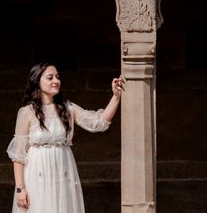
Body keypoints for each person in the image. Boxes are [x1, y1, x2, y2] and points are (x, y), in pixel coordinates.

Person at [8, 63, 125, 212]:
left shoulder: (68, 108)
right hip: (37, 173)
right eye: (50, 77)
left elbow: (99, 122)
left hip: (63, 172)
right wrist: (20, 189)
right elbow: (18, 155)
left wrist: (116, 96)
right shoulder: (27, 112)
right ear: (37, 81)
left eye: (57, 77)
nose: (56, 80)